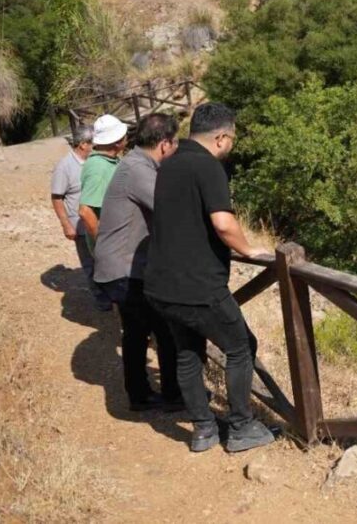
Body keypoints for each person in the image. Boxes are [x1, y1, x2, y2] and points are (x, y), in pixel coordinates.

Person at [145, 103, 273, 453]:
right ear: (220, 137)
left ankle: (203, 429)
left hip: (160, 285)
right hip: (197, 286)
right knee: (241, 346)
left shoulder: (168, 163)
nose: (231, 145)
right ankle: (242, 426)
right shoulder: (207, 166)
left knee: (188, 353)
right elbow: (222, 222)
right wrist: (249, 250)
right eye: (231, 139)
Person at [93, 114, 182, 412]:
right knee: (164, 329)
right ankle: (171, 394)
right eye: (176, 142)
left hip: (119, 265)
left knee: (136, 332)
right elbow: (170, 209)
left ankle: (141, 395)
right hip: (125, 268)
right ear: (165, 143)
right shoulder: (138, 170)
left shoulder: (132, 164)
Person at [50, 123, 108, 311]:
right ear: (83, 144)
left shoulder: (97, 161)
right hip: (81, 225)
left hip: (102, 221)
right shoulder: (64, 166)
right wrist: (66, 224)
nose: (97, 146)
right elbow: (57, 197)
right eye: (94, 142)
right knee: (91, 264)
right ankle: (102, 300)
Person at [79, 114, 128, 252]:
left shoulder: (110, 161)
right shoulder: (98, 168)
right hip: (113, 250)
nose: (127, 138)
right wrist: (103, 246)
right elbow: (85, 211)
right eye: (125, 136)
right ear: (117, 142)